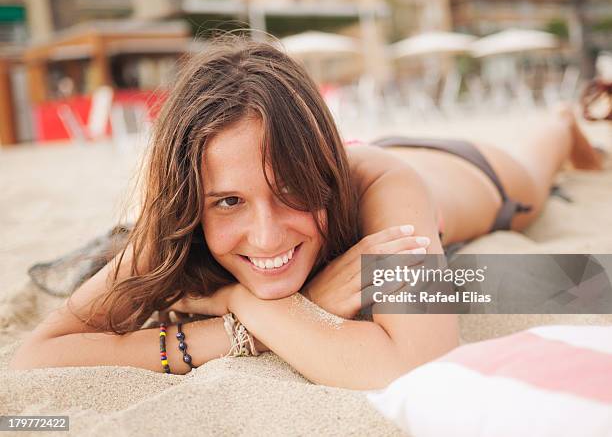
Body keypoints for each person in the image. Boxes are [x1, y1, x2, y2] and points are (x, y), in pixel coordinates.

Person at [9, 38, 602, 390]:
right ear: (195, 197)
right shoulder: (179, 220)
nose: (265, 233)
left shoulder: (389, 187)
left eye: (292, 191)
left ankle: (562, 125)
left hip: (474, 175)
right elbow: (38, 355)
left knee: (539, 165)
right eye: (229, 201)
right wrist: (263, 319)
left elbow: (415, 362)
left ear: (319, 175)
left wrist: (246, 300)